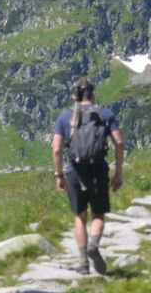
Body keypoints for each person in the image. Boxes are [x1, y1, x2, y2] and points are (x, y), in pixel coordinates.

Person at [51, 78, 125, 276]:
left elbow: (57, 148)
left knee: (80, 216)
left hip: (74, 170)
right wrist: (118, 173)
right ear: (92, 95)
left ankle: (83, 262)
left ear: (75, 95)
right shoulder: (104, 114)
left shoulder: (65, 117)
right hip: (98, 169)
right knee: (98, 214)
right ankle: (94, 244)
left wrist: (59, 175)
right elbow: (119, 142)